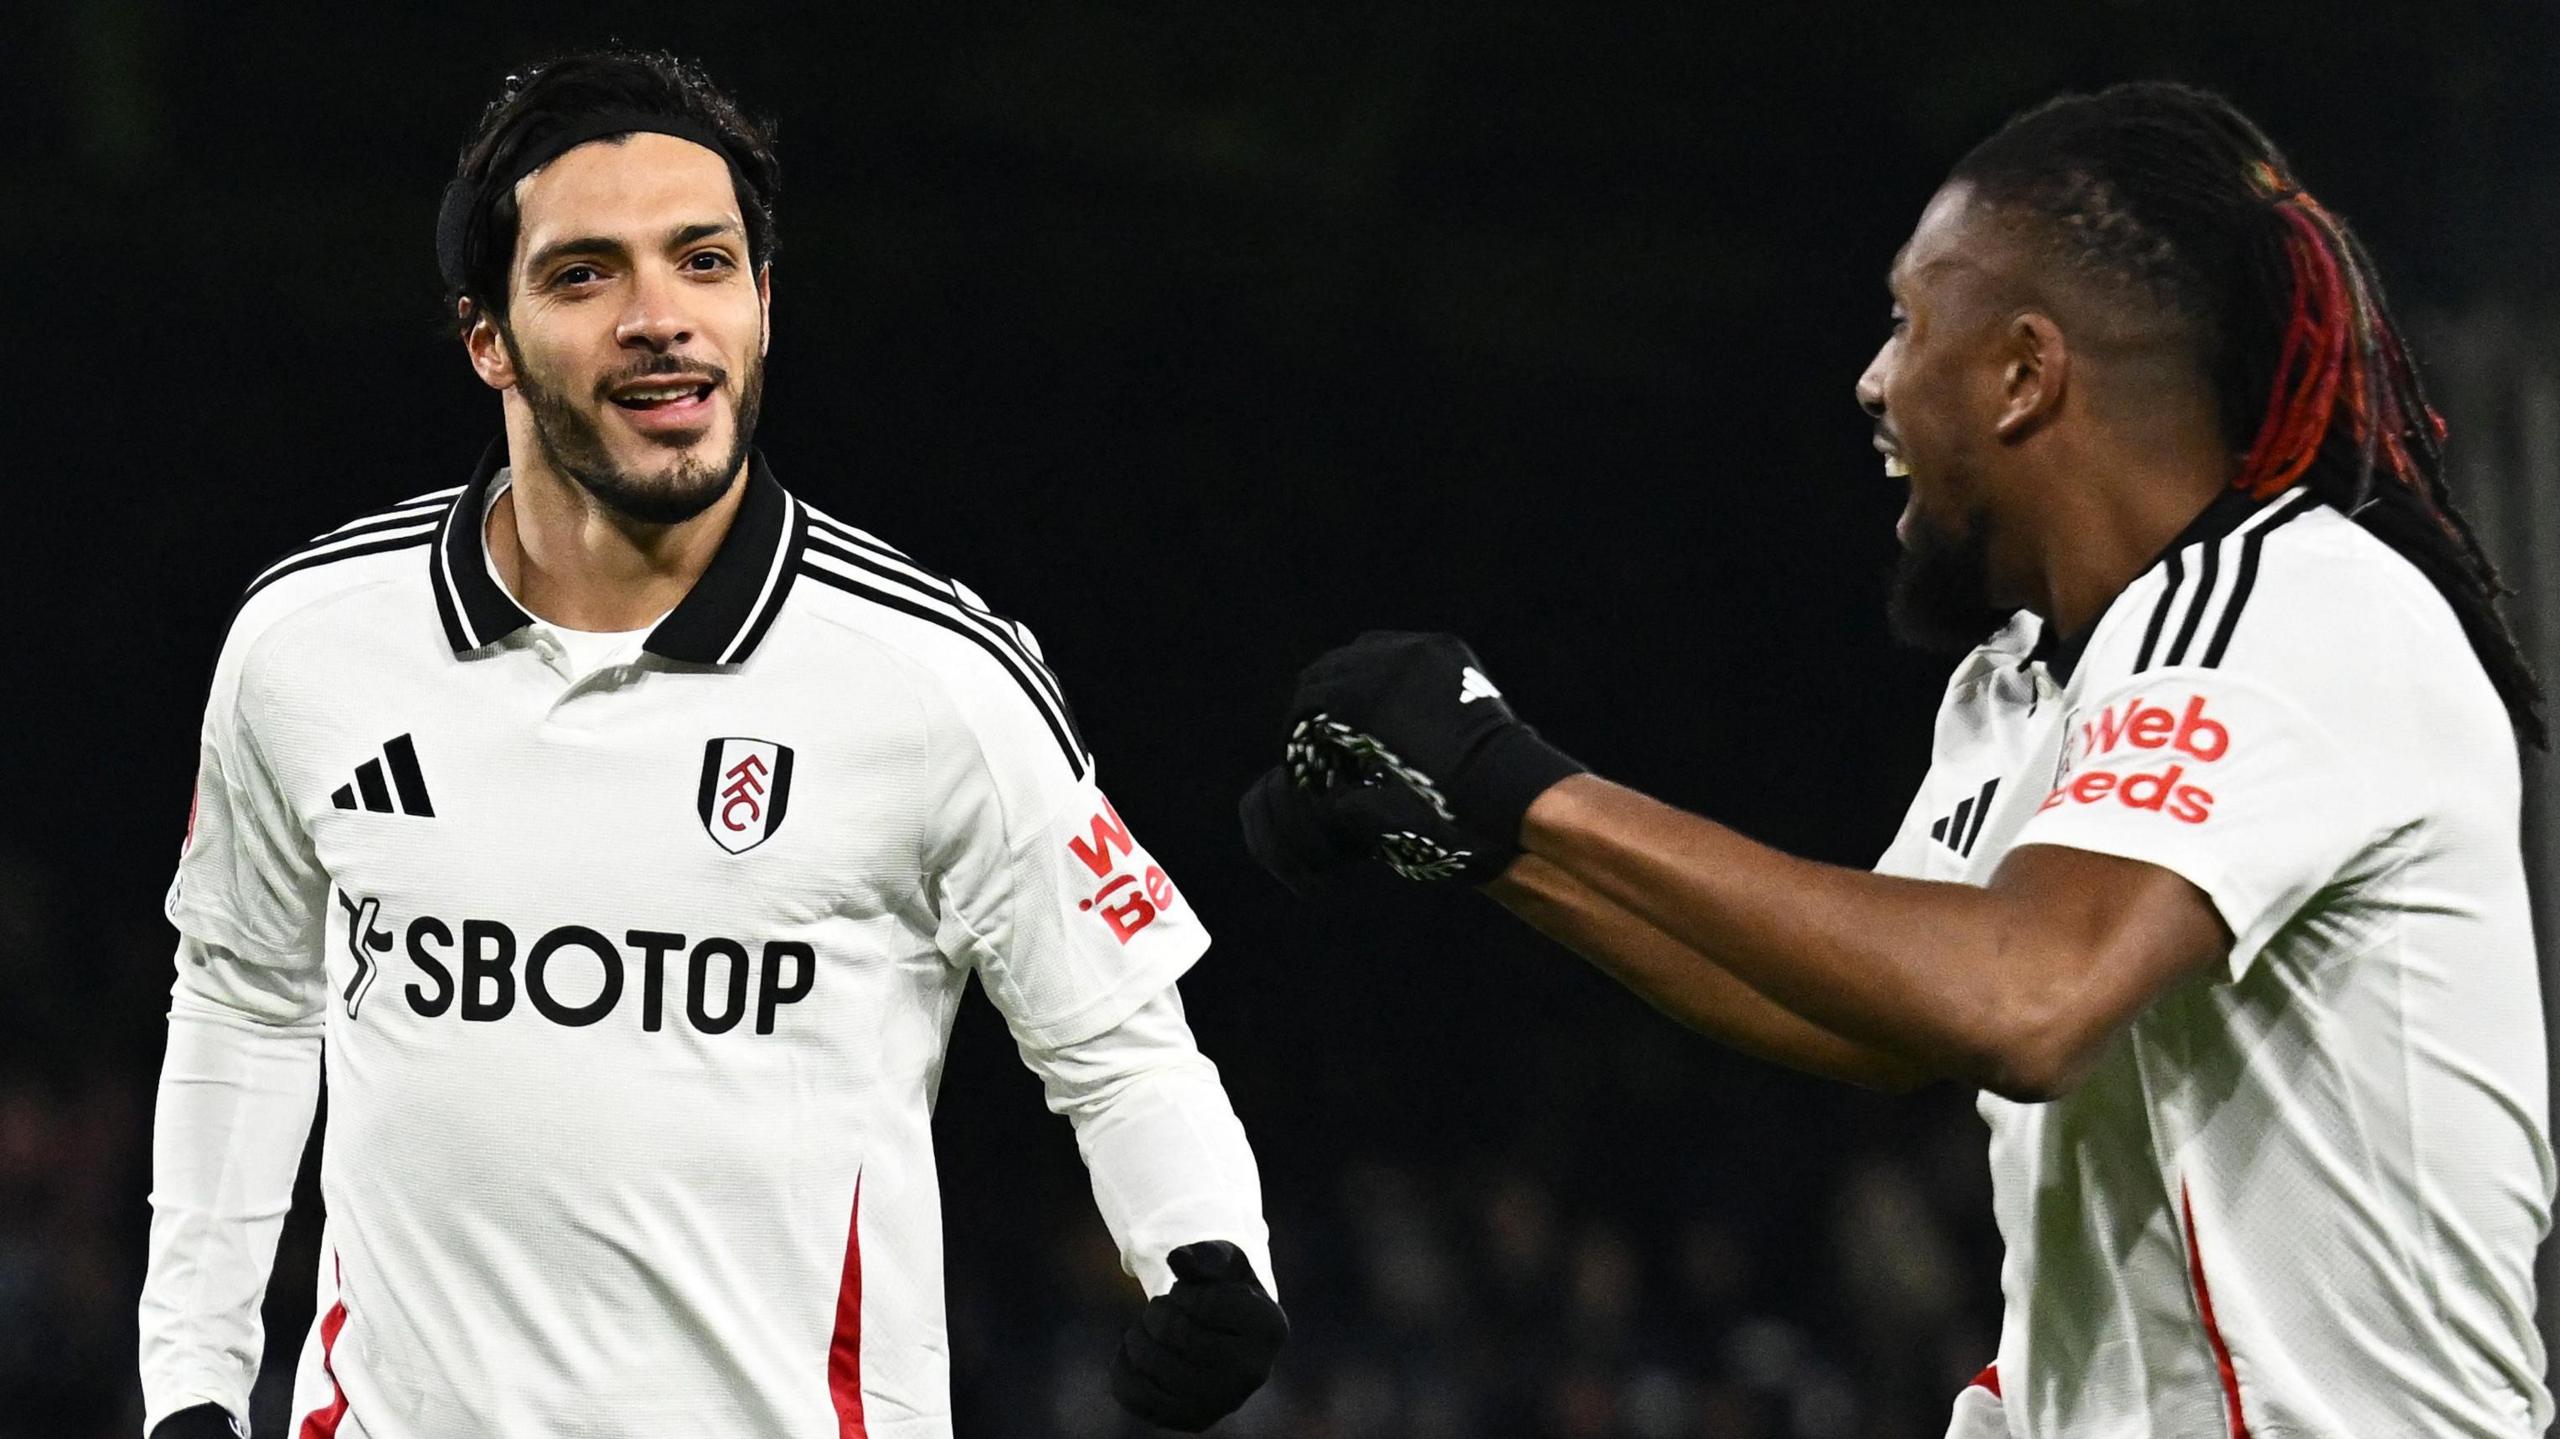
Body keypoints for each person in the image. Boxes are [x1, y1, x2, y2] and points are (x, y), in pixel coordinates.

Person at [1243, 82, 2549, 1437]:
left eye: (1908, 321)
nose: (1872, 378)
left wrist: (1520, 781)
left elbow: (2027, 998)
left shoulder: (2298, 607)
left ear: (2025, 373)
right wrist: (1490, 832)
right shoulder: (2024, 678)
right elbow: (1870, 1020)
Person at [141, 50, 1283, 1439]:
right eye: (584, 276)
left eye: (703, 263)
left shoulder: (934, 680)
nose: (657, 318)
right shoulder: (307, 644)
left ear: (757, 304)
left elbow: (1119, 1044)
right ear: (484, 336)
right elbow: (247, 1004)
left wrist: (1209, 1254)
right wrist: (190, 1384)